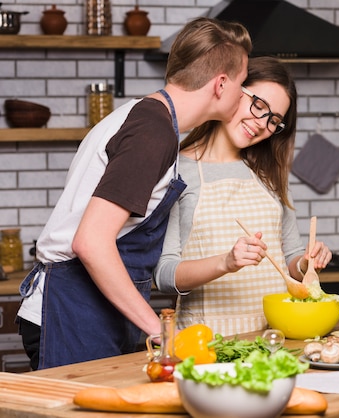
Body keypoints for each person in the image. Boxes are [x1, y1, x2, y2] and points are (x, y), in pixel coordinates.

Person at [16, 17, 252, 370]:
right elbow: (91, 241)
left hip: (89, 309)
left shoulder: (148, 118)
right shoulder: (152, 132)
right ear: (220, 84)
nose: (244, 94)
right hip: (72, 310)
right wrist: (161, 330)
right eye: (242, 83)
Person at [155, 57, 332, 336]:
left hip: (274, 339)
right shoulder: (178, 170)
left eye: (274, 120)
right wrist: (226, 262)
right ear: (233, 91)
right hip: (206, 343)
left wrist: (307, 262)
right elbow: (165, 275)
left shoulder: (270, 173)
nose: (262, 123)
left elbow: (292, 259)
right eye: (258, 105)